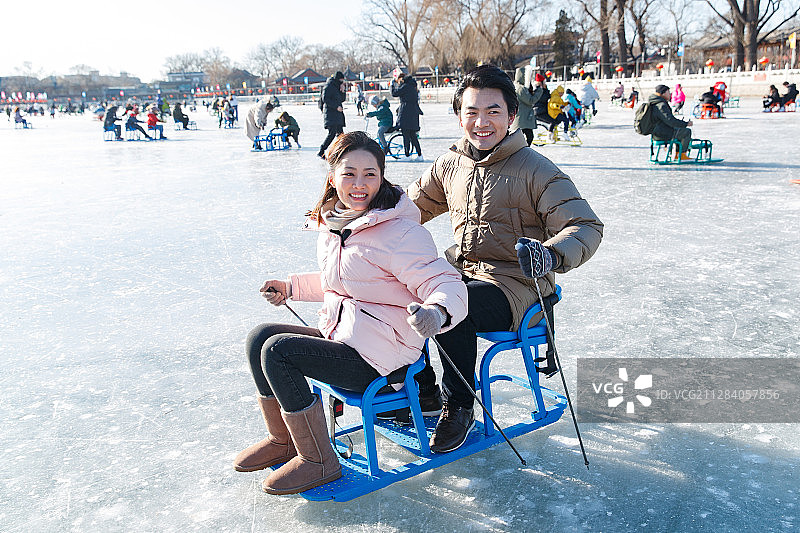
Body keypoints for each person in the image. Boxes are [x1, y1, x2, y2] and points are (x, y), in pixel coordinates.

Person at [235, 131, 468, 494]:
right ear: (332, 177)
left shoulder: (400, 233)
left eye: (369, 174)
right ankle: (284, 440)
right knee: (260, 338)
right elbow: (342, 282)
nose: (359, 184)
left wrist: (436, 311)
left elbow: (446, 282)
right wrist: (291, 287)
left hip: (382, 356)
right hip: (344, 337)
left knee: (279, 351)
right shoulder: (336, 225)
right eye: (349, 173)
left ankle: (319, 461)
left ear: (382, 177)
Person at [406, 65, 603, 453]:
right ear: (459, 116)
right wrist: (357, 214)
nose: (482, 123)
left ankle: (459, 405)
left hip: (517, 285)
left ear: (512, 116)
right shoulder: (451, 164)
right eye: (472, 112)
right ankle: (422, 387)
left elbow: (585, 225)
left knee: (454, 304)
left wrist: (549, 254)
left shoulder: (536, 169)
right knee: (400, 287)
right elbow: (408, 209)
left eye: (493, 112)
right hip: (463, 271)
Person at [650, 84, 693, 160]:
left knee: (679, 131)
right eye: (668, 92)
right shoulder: (661, 104)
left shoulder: (654, 102)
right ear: (663, 93)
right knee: (686, 132)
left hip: (656, 132)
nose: (670, 94)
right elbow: (670, 120)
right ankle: (681, 155)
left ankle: (677, 154)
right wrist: (685, 124)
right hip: (663, 133)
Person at [391, 72, 424, 160]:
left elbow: (394, 93)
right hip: (413, 114)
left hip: (406, 113)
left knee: (406, 135)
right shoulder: (413, 86)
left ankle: (407, 155)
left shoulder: (405, 86)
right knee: (413, 136)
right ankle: (420, 155)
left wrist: (392, 85)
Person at [511, 67, 543, 145]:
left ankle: (523, 150)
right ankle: (523, 150)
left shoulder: (517, 87)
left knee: (524, 137)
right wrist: (539, 90)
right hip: (522, 118)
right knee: (528, 137)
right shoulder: (520, 88)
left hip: (522, 117)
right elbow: (530, 100)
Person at [318, 71, 347, 159]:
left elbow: (342, 99)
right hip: (330, 113)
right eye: (341, 80)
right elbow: (325, 99)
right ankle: (322, 150)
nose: (342, 81)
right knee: (332, 133)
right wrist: (336, 107)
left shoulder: (338, 86)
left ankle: (341, 151)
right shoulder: (329, 86)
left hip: (337, 114)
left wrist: (343, 91)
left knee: (340, 134)